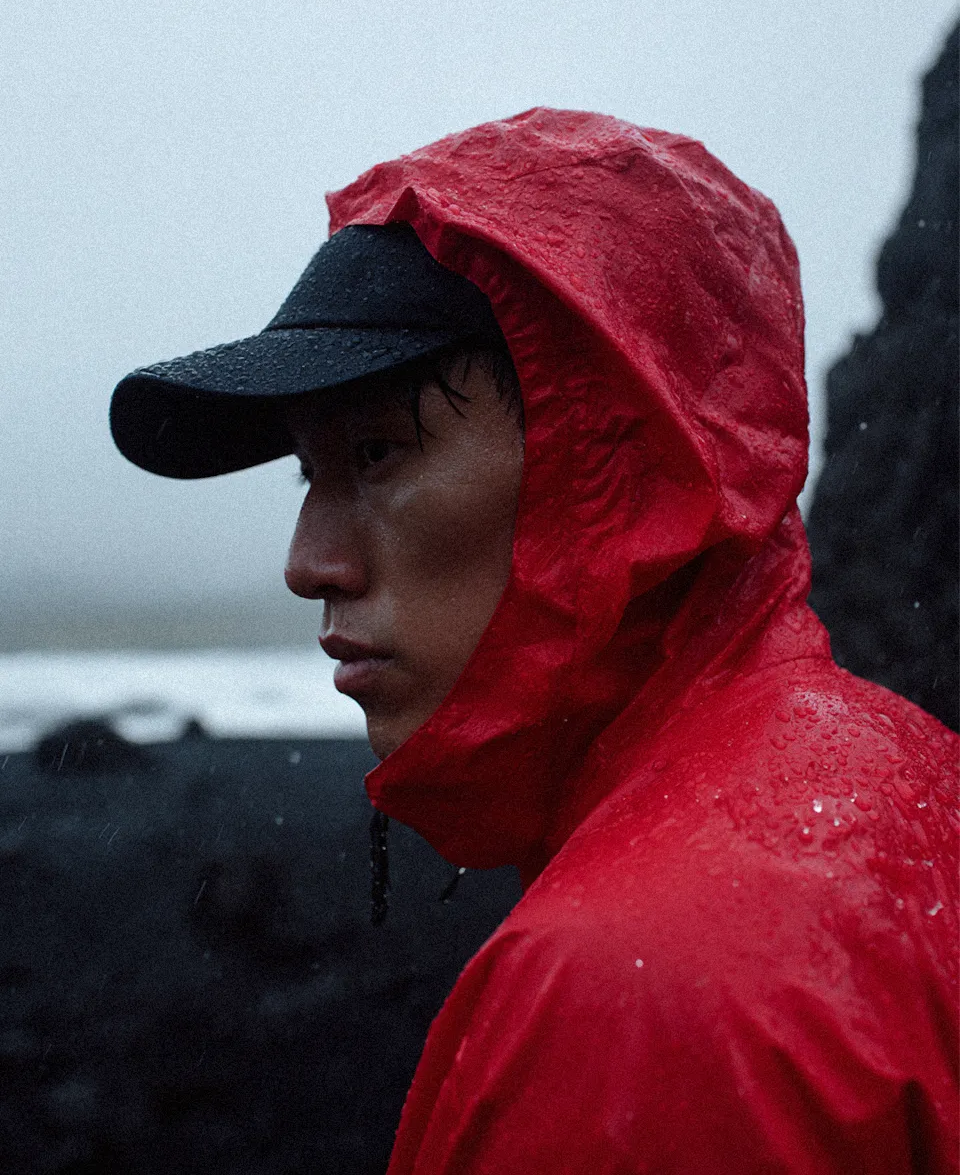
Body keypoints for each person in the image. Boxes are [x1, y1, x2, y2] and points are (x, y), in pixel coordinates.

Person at [110, 109, 958, 1173]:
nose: (306, 561)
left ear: (617, 466)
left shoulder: (636, 996)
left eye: (376, 452)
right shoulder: (906, 779)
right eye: (307, 471)